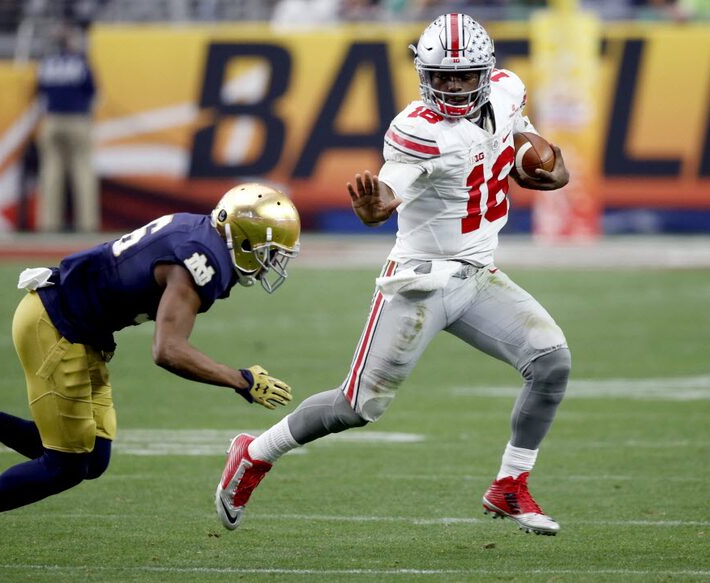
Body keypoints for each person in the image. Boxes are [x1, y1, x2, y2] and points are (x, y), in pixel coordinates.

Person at [215, 13, 571, 536]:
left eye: (463, 76)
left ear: (486, 73)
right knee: (357, 406)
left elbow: (530, 145)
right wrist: (374, 207)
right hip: (419, 281)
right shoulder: (415, 131)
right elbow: (386, 195)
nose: (451, 86)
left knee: (552, 362)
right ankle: (255, 453)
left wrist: (548, 167)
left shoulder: (507, 91)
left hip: (478, 274)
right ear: (423, 74)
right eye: (441, 76)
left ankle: (510, 485)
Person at [0, 183, 301, 566]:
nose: (274, 262)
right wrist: (241, 380)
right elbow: (168, 350)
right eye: (270, 251)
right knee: (64, 466)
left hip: (80, 329)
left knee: (92, 458)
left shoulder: (201, 233)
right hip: (56, 326)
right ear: (244, 241)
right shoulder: (202, 260)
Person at [36, 24, 99, 233]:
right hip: (78, 121)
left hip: (52, 120)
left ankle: (48, 224)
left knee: (51, 174)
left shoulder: (47, 63)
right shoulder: (80, 62)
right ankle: (87, 224)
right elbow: (93, 92)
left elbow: (40, 92)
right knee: (83, 173)